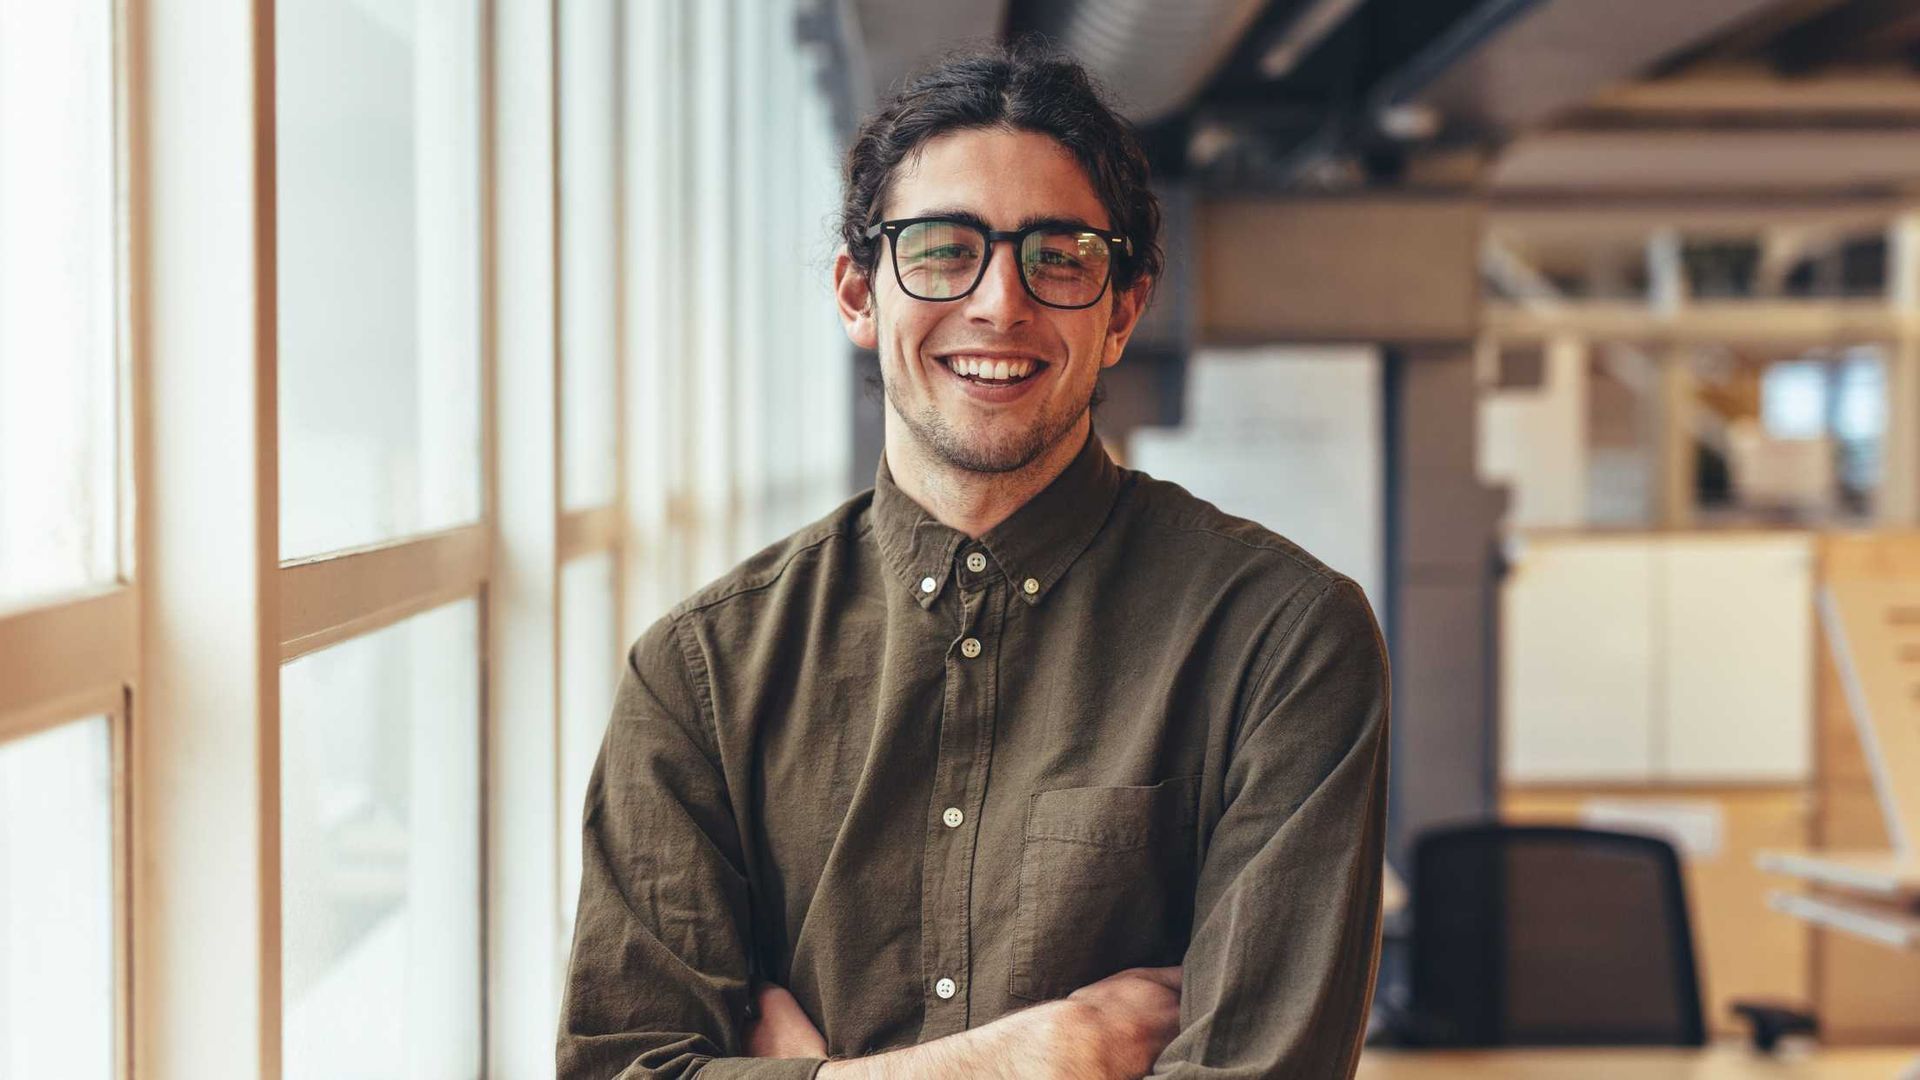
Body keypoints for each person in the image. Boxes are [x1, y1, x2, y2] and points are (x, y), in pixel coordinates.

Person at [558, 41, 1389, 1080]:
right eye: (944, 248)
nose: (1001, 302)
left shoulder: (1281, 641)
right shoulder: (700, 675)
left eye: (1061, 255)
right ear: (860, 296)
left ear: (1123, 310)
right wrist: (1050, 1052)